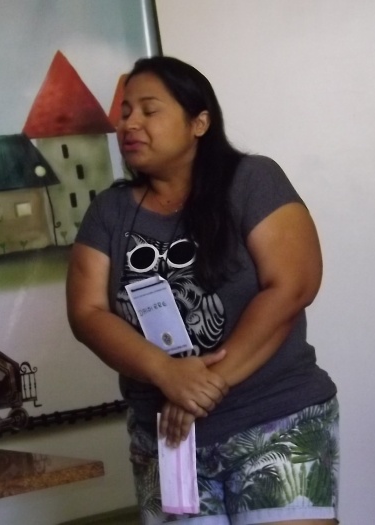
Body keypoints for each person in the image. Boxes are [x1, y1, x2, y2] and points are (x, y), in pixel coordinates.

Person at [66, 55, 338, 525]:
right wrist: (165, 373)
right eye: (125, 112)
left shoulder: (252, 180)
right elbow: (86, 313)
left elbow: (294, 285)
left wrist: (201, 388)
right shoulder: (109, 211)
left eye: (149, 110)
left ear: (199, 122)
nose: (130, 123)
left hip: (275, 418)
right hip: (168, 439)